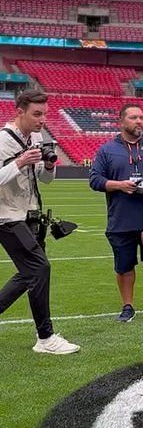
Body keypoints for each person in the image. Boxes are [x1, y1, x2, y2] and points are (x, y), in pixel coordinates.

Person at [0, 88, 79, 354]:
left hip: (30, 215)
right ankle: (45, 338)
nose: (42, 119)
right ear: (19, 111)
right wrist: (20, 162)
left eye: (45, 114)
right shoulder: (3, 140)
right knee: (39, 268)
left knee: (29, 273)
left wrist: (48, 165)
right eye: (36, 114)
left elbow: (46, 180)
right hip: (7, 217)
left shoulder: (36, 136)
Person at [89, 103, 143, 324]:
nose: (139, 121)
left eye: (142, 118)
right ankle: (128, 306)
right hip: (121, 218)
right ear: (121, 121)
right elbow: (95, 180)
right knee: (124, 266)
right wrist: (119, 185)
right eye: (134, 118)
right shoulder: (106, 150)